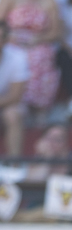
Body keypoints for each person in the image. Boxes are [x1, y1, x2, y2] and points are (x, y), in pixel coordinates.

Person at [0, 0, 61, 116]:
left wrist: (37, 39)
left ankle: (36, 106)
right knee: (16, 57)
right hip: (9, 42)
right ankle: (16, 100)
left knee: (39, 57)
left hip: (37, 44)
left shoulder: (50, 1)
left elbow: (56, 32)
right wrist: (8, 37)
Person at [0, 18, 30, 159]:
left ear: (6, 40)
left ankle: (14, 165)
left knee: (13, 115)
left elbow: (15, 96)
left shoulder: (18, 57)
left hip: (9, 105)